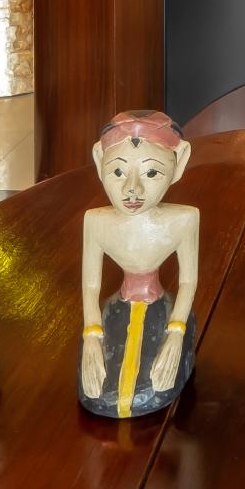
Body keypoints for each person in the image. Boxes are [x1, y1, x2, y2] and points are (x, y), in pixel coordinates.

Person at [79, 112, 201, 418]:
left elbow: (188, 282)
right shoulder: (96, 221)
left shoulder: (184, 219)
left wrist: (176, 333)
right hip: (116, 309)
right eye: (118, 172)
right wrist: (91, 335)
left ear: (179, 163)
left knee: (152, 380)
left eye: (151, 173)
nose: (132, 189)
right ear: (99, 159)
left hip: (163, 309)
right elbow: (90, 285)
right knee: (103, 388)